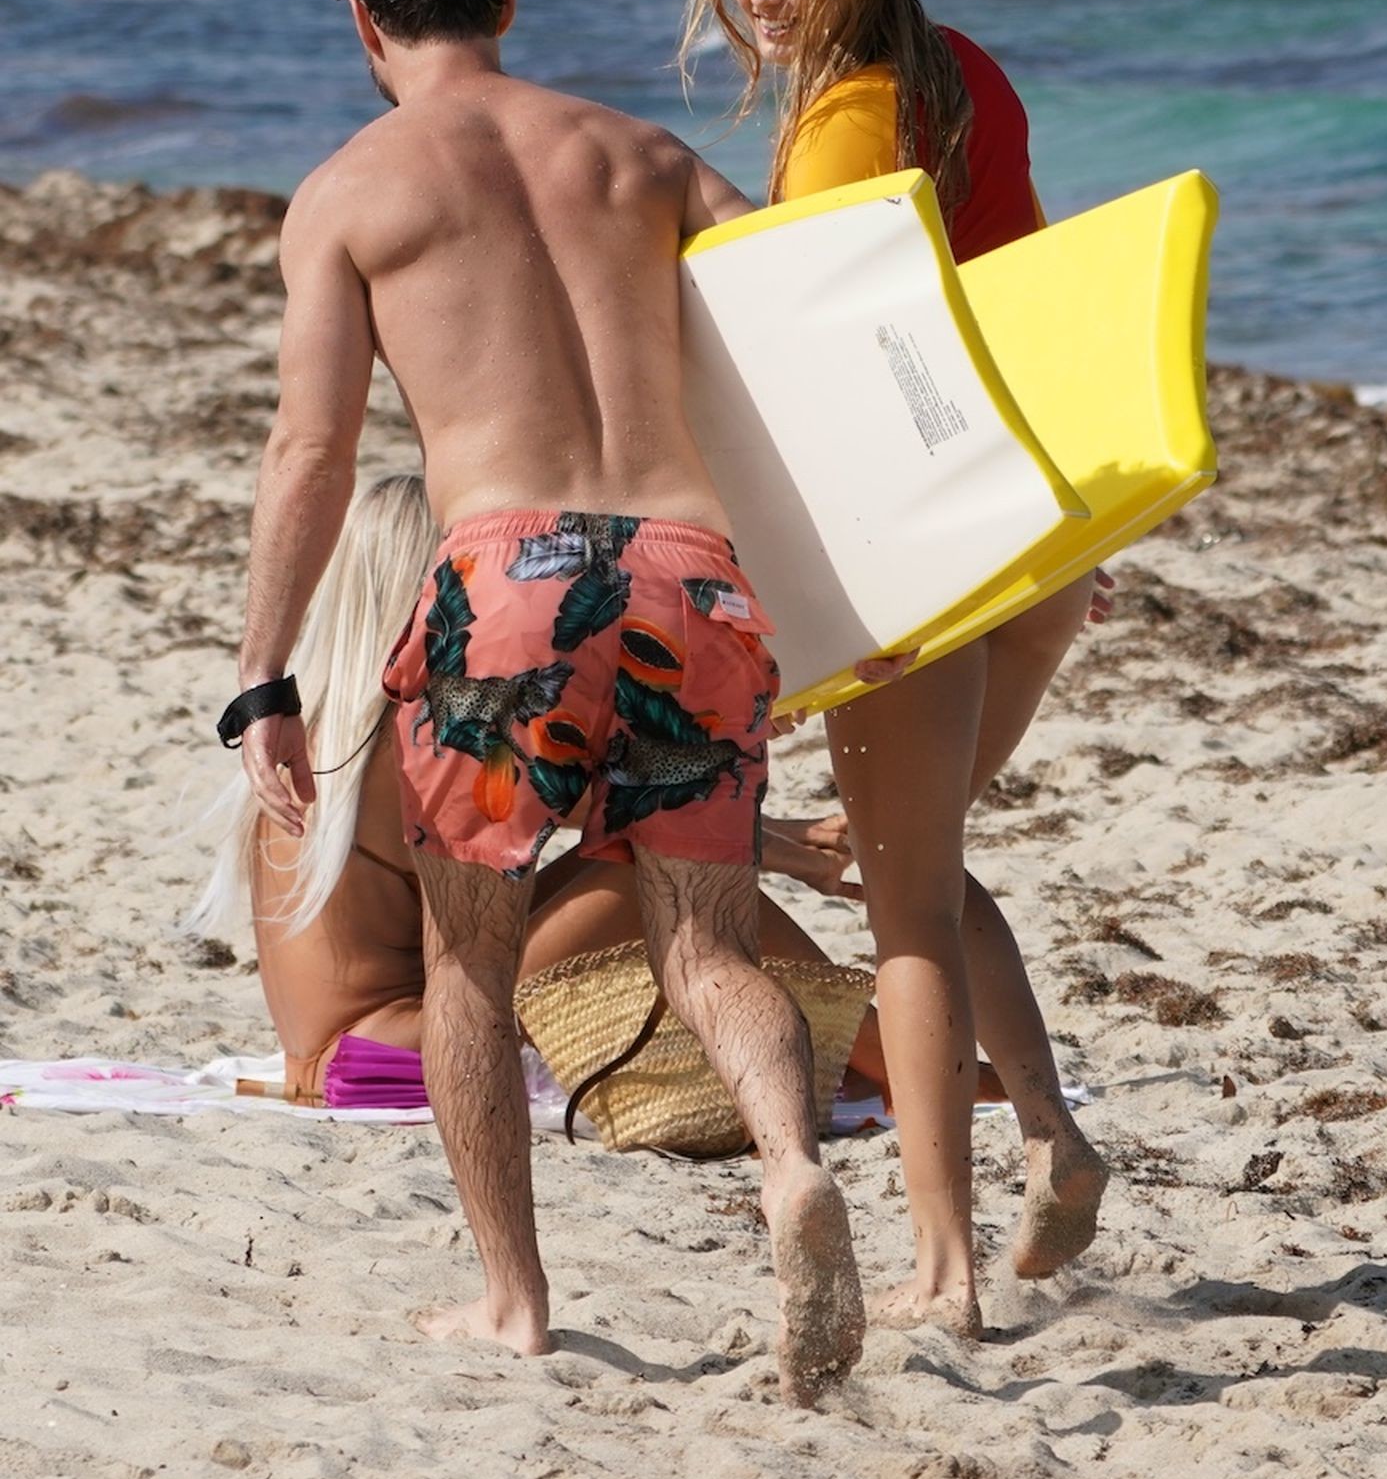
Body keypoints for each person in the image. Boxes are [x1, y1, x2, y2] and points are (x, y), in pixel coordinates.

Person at [226, 0, 869, 1405]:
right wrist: (886, 597)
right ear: (506, 5)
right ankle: (792, 1163)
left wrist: (264, 677)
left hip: (505, 578)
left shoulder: (349, 192)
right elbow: (817, 349)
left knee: (470, 963)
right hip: (689, 572)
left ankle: (514, 1301)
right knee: (705, 946)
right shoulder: (646, 157)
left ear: (365, 26)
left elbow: (312, 453)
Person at [682, 0, 1109, 1337]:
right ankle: (1050, 1135)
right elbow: (1020, 295)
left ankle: (944, 1273)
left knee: (904, 900)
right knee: (908, 858)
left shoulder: (844, 129)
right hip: (1028, 521)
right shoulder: (964, 73)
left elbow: (837, 394)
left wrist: (799, 597)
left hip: (921, 547)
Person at [196, 473, 897, 1109]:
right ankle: (896, 1063)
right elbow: (617, 803)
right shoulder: (411, 735)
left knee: (654, 864)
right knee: (659, 878)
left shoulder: (322, 738)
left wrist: (779, 835)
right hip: (385, 1055)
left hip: (341, 1051)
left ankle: (871, 1053)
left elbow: (596, 799)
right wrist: (781, 843)